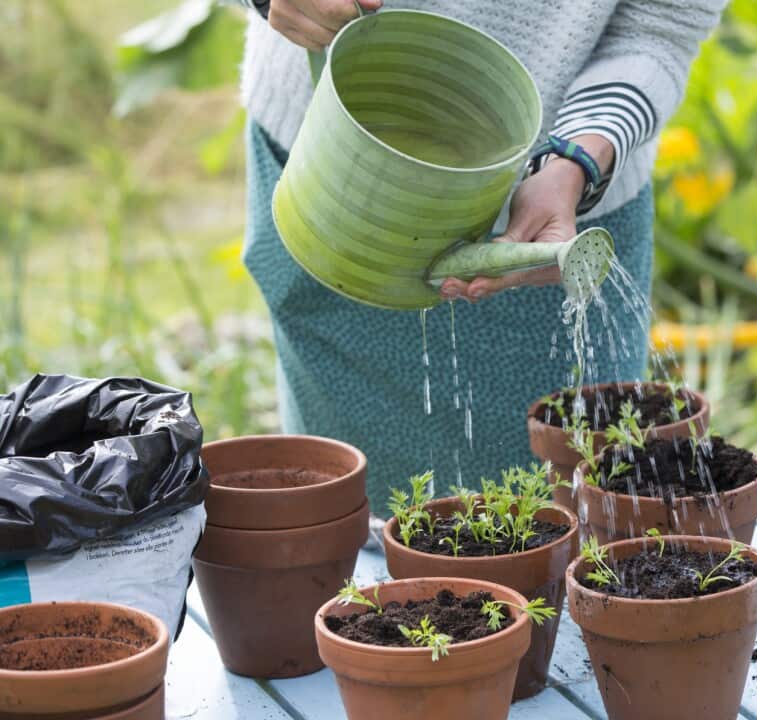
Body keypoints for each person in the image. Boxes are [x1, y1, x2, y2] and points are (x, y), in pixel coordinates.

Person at [238, 0, 726, 515]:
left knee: (576, 517)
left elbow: (662, 23)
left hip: (559, 209)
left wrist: (579, 159)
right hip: (338, 177)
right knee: (345, 528)